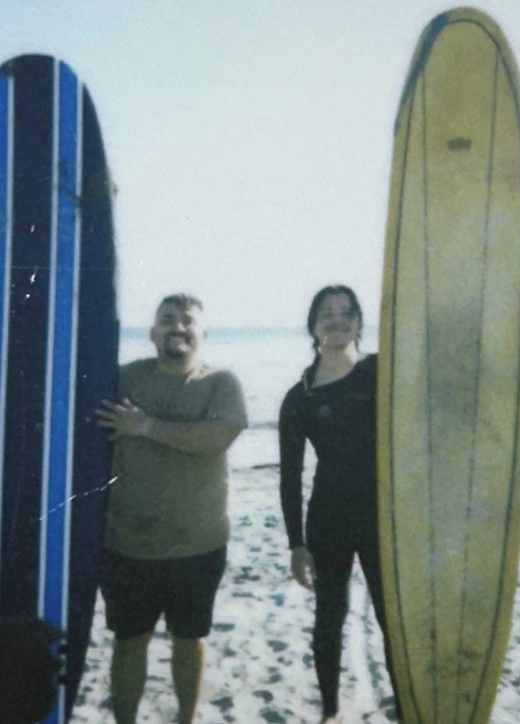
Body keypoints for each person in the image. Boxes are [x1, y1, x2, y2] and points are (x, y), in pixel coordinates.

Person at [95, 293, 248, 724]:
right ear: (152, 332)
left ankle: (185, 720)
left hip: (198, 544)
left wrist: (144, 426)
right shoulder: (122, 380)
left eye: (187, 321)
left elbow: (217, 438)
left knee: (188, 641)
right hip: (128, 544)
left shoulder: (221, 382)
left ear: (202, 333)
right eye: (167, 319)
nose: (178, 327)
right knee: (129, 643)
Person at [278, 285, 399, 723]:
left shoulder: (383, 371)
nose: (336, 319)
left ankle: (406, 707)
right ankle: (330, 711)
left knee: (394, 619)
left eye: (346, 312)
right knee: (330, 617)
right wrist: (296, 544)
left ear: (360, 323)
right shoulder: (301, 395)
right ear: (312, 325)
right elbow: (290, 476)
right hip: (328, 518)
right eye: (326, 313)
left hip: (384, 517)